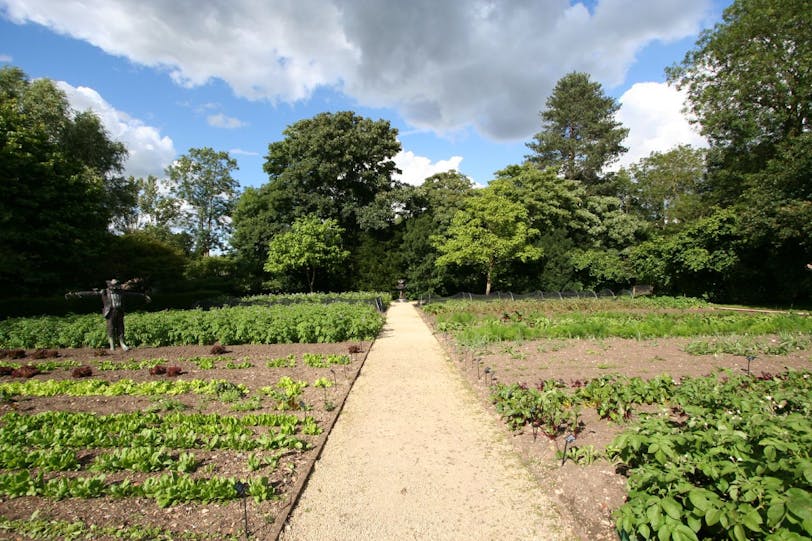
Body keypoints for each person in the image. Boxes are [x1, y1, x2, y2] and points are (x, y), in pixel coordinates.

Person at [65, 279, 151, 351]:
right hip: (110, 312)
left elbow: (133, 295)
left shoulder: (121, 292)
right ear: (110, 285)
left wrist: (143, 296)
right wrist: (76, 295)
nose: (116, 287)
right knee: (111, 328)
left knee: (121, 327)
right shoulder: (105, 292)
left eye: (117, 285)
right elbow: (90, 294)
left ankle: (122, 343)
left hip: (119, 311)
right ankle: (112, 346)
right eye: (114, 285)